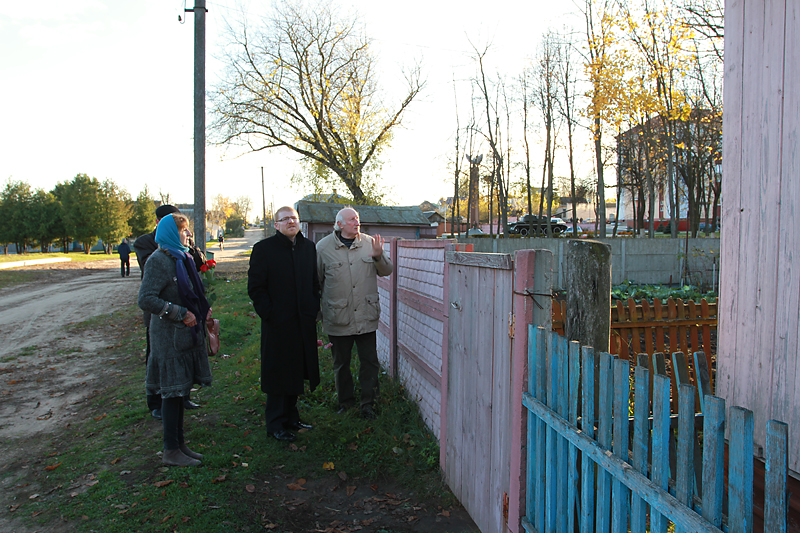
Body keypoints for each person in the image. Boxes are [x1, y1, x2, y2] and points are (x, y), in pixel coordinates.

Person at [138, 213, 214, 466]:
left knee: (181, 392)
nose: (189, 234)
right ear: (171, 233)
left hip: (185, 337)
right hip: (168, 338)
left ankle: (180, 445)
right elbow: (146, 299)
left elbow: (191, 292)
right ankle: (170, 450)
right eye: (184, 230)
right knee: (171, 395)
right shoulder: (157, 261)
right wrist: (180, 313)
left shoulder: (182, 258)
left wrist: (203, 309)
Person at [248, 206, 320, 442]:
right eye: (285, 219)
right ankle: (275, 423)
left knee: (297, 370)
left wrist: (311, 309)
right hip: (277, 324)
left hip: (302, 322)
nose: (291, 221)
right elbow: (256, 288)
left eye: (294, 218)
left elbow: (313, 283)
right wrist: (270, 314)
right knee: (279, 373)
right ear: (276, 225)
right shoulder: (264, 249)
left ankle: (292, 417)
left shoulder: (308, 248)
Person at [316, 207, 393, 419]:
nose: (356, 222)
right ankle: (346, 403)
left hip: (365, 316)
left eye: (357, 218)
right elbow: (316, 281)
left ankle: (369, 404)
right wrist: (315, 314)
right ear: (339, 224)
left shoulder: (370, 243)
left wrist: (379, 257)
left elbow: (387, 271)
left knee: (369, 362)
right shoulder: (323, 248)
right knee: (341, 364)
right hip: (338, 317)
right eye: (351, 219)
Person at [134, 204, 204, 418]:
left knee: (183, 354)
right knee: (157, 357)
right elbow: (150, 270)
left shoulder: (184, 245)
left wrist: (189, 249)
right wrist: (169, 247)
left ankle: (183, 395)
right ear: (160, 222)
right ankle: (156, 402)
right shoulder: (146, 243)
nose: (186, 231)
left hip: (184, 312)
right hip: (161, 315)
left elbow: (198, 263)